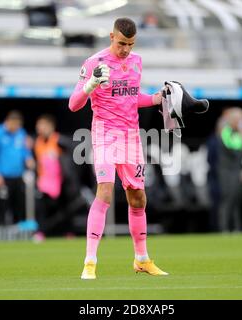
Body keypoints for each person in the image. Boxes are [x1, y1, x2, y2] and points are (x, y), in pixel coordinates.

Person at [69, 17, 166, 279]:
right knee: (105, 191)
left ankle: (142, 259)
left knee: (138, 198)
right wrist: (91, 85)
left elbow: (132, 98)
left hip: (131, 137)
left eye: (131, 44)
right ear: (112, 37)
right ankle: (90, 262)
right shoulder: (94, 63)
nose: (126, 50)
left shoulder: (136, 61)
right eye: (122, 43)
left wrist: (156, 98)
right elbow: (74, 104)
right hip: (105, 135)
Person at [0, 110, 35, 226]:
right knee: (3, 203)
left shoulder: (20, 133)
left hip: (18, 175)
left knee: (19, 203)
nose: (16, 127)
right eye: (14, 124)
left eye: (18, 125)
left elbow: (24, 150)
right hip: (3, 176)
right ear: (7, 122)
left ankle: (18, 229)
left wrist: (28, 158)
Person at [217, 107, 242, 233]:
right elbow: (234, 149)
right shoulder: (226, 132)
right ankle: (224, 228)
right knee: (227, 199)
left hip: (235, 171)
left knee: (236, 199)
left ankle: (237, 228)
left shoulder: (235, 133)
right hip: (226, 172)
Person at [33, 114, 63, 242]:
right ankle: (41, 232)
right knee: (41, 208)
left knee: (61, 208)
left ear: (50, 126)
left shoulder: (59, 140)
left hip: (59, 182)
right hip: (44, 182)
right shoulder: (38, 142)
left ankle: (66, 231)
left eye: (43, 125)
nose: (40, 128)